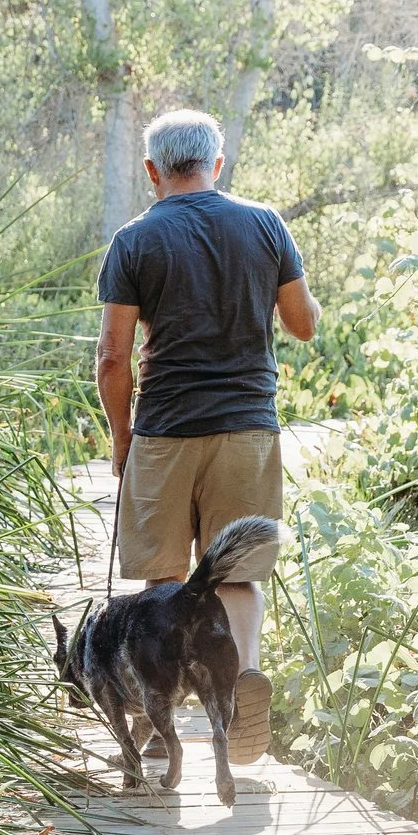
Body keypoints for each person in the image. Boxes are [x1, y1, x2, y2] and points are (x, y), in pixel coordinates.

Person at [95, 107, 319, 764]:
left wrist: (121, 438)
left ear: (151, 171)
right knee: (237, 574)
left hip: (165, 431)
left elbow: (112, 355)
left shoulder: (134, 242)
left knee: (163, 584)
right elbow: (303, 324)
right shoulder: (266, 225)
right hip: (248, 426)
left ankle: (155, 734)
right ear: (216, 163)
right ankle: (242, 674)